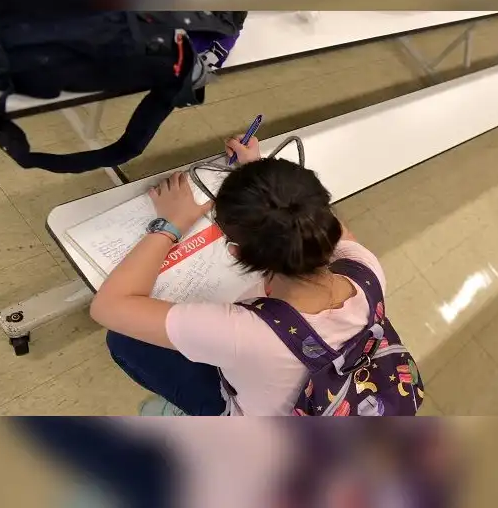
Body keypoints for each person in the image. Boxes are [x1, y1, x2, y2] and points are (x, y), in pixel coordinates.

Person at [89, 135, 387, 416]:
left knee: (125, 340)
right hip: (343, 400)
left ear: (237, 252)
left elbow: (108, 307)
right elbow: (320, 219)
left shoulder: (244, 332)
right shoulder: (365, 269)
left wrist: (171, 224)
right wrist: (265, 181)